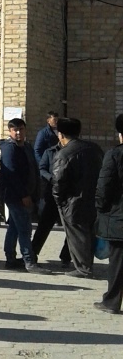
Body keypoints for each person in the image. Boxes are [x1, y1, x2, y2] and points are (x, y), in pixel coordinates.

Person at [53, 116, 104, 278]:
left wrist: (59, 201)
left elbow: (58, 182)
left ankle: (84, 268)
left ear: (61, 135)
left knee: (77, 236)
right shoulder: (94, 149)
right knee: (89, 233)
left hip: (73, 202)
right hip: (94, 199)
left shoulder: (64, 154)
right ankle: (87, 265)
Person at [0, 117, 40, 272]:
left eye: (21, 129)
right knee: (24, 229)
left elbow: (33, 169)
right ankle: (29, 261)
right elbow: (12, 174)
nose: (18, 132)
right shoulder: (9, 148)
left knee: (15, 227)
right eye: (15, 130)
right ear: (10, 131)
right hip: (15, 195)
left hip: (27, 193)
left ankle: (10, 259)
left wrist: (35, 193)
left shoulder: (27, 147)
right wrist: (23, 195)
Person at [94, 113, 123, 314]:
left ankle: (111, 301)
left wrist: (101, 208)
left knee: (118, 263)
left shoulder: (114, 154)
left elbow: (104, 186)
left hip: (119, 217)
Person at [31, 140, 71, 267]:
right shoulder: (50, 152)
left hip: (69, 196)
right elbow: (42, 168)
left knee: (70, 228)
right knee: (44, 226)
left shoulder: (75, 151)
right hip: (52, 194)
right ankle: (33, 253)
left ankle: (66, 257)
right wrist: (51, 178)